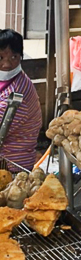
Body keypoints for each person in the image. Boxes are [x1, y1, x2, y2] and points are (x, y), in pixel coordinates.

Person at [0, 30, 42, 172]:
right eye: (0, 58)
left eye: (14, 57)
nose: (7, 64)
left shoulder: (18, 91)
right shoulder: (6, 80)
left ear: (21, 57)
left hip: (11, 163)